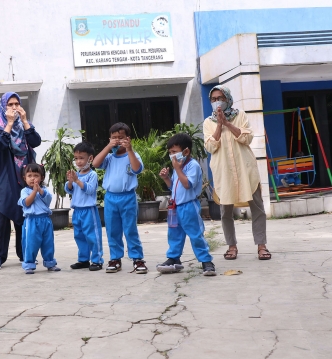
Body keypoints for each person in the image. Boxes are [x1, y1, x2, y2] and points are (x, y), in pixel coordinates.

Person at [203, 85, 271, 261]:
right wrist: (219, 125)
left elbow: (247, 137)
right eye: (213, 99)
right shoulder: (207, 122)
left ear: (227, 99)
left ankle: (261, 245)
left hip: (245, 169)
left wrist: (227, 123)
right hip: (224, 172)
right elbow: (210, 146)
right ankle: (231, 246)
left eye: (220, 98)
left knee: (257, 208)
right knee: (225, 211)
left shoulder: (240, 116)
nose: (217, 101)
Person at [0, 92, 42, 270]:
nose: (14, 107)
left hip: (23, 180)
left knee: (22, 219)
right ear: (3, 107)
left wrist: (24, 122)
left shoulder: (25, 126)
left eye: (17, 104)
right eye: (10, 104)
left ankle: (24, 253)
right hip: (3, 180)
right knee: (1, 219)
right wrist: (9, 123)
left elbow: (36, 141)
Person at [92, 123, 148, 274]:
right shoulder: (109, 157)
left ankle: (137, 258)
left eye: (120, 138)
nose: (117, 141)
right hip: (110, 198)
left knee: (130, 229)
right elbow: (95, 163)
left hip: (127, 197)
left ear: (128, 139)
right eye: (114, 138)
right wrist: (108, 147)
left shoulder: (133, 155)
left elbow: (137, 168)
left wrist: (129, 149)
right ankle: (115, 258)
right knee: (112, 230)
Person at [157, 133, 216, 276]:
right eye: (170, 152)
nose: (171, 156)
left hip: (189, 206)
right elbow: (174, 187)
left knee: (196, 234)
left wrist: (177, 168)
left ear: (186, 151)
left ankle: (206, 261)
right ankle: (173, 258)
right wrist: (166, 178)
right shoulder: (179, 167)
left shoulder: (192, 166)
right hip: (175, 206)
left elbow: (188, 184)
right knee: (174, 234)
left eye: (174, 152)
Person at [65, 142, 103, 271]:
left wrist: (76, 181)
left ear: (90, 158)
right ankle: (83, 260)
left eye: (81, 158)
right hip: (77, 210)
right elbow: (69, 190)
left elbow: (90, 190)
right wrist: (70, 181)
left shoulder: (92, 175)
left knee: (92, 235)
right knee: (79, 236)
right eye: (76, 158)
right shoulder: (76, 174)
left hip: (88, 210)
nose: (78, 161)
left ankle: (97, 260)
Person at [17, 163, 60, 274]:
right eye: (29, 175)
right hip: (31, 221)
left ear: (41, 178)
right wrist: (34, 191)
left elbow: (47, 200)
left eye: (36, 175)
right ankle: (29, 264)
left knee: (48, 243)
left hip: (45, 220)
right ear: (24, 178)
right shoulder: (24, 191)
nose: (32, 178)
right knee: (31, 243)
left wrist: (39, 190)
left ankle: (50, 263)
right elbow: (26, 203)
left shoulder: (44, 191)